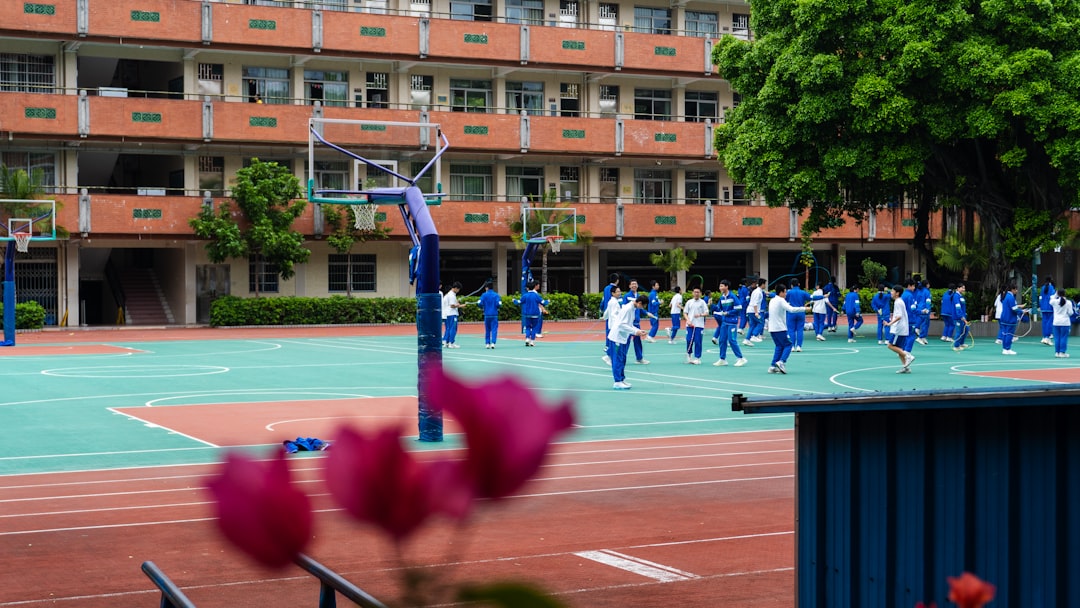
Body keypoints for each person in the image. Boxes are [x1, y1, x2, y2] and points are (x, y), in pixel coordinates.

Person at [608, 294, 650, 389]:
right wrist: (636, 331)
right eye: (643, 306)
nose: (642, 308)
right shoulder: (627, 309)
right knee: (618, 359)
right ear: (639, 303)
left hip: (622, 337)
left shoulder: (632, 308)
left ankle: (621, 379)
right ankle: (617, 381)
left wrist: (638, 330)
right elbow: (622, 325)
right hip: (617, 338)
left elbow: (629, 324)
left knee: (622, 359)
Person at [767, 283, 809, 374]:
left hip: (772, 328)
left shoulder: (772, 300)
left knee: (779, 346)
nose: (786, 294)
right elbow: (791, 310)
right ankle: (782, 362)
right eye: (785, 292)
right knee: (788, 345)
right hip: (779, 328)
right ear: (781, 292)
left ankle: (773, 366)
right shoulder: (781, 301)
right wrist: (804, 309)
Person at [713, 279, 748, 367]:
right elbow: (719, 308)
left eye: (722, 286)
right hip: (724, 322)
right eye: (720, 286)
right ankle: (722, 359)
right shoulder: (722, 297)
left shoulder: (732, 296)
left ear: (726, 287)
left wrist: (728, 313)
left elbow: (739, 307)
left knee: (732, 340)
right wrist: (711, 306)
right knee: (722, 340)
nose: (720, 288)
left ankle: (741, 358)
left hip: (732, 322)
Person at [884, 284, 915, 373]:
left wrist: (889, 323)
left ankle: (908, 356)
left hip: (898, 329)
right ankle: (906, 367)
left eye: (893, 291)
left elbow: (899, 316)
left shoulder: (898, 302)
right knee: (899, 348)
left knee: (890, 345)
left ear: (897, 293)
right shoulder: (899, 301)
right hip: (902, 328)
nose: (891, 293)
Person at [621, 279, 648, 364]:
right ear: (629, 286)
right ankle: (622, 358)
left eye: (635, 284)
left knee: (637, 341)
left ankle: (639, 358)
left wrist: (647, 313)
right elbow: (623, 308)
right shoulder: (627, 296)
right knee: (626, 341)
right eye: (632, 284)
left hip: (636, 323)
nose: (634, 285)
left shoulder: (639, 296)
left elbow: (642, 310)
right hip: (628, 323)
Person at [998, 283, 1028, 355]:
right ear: (1012, 289)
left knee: (1005, 333)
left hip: (1004, 318)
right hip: (1010, 319)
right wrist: (1022, 311)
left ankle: (1005, 349)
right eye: (1016, 289)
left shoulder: (1005, 296)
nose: (1017, 291)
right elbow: (1014, 309)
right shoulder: (1010, 297)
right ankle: (1007, 348)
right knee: (1009, 334)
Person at [515, 281, 547, 347]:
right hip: (535, 314)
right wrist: (548, 301)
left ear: (527, 288)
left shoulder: (525, 295)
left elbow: (519, 302)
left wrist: (514, 300)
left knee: (528, 327)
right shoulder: (536, 295)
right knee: (534, 328)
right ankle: (532, 341)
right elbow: (543, 302)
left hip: (527, 314)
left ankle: (527, 338)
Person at [682, 287, 709, 364]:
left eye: (698, 292)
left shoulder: (702, 302)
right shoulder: (689, 302)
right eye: (695, 292)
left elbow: (707, 312)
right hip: (690, 325)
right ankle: (689, 355)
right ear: (692, 293)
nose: (696, 293)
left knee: (698, 341)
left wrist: (700, 315)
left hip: (699, 325)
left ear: (700, 293)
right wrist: (688, 320)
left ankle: (697, 358)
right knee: (688, 339)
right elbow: (685, 312)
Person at [785, 280, 810, 352]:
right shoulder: (803, 292)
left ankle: (792, 346)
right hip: (801, 312)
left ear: (791, 285)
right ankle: (799, 346)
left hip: (791, 312)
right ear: (799, 284)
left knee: (791, 330)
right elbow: (811, 297)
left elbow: (784, 299)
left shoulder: (789, 292)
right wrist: (822, 296)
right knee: (800, 330)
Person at [601, 286, 623, 364]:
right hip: (614, 326)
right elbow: (614, 315)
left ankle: (610, 356)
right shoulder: (614, 302)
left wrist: (604, 317)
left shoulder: (611, 301)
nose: (619, 293)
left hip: (612, 326)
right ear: (613, 293)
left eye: (620, 291)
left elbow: (607, 312)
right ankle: (609, 356)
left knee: (612, 342)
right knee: (615, 343)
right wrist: (617, 325)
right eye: (617, 291)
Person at [1051, 288, 1075, 358]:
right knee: (1063, 337)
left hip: (1056, 322)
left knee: (1057, 338)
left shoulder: (1054, 302)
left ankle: (1057, 352)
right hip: (1065, 322)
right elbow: (1071, 313)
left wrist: (1056, 294)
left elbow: (1051, 299)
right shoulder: (1068, 302)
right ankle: (1062, 352)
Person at [479, 281, 501, 349]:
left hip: (487, 315)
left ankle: (487, 343)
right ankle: (493, 343)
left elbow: (480, 304)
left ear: (486, 288)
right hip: (494, 315)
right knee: (494, 329)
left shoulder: (483, 295)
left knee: (487, 329)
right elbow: (499, 304)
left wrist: (480, 306)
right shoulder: (496, 295)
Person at [744, 278, 767, 345]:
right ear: (762, 284)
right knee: (761, 322)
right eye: (764, 284)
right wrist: (756, 312)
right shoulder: (758, 292)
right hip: (753, 311)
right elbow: (755, 303)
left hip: (751, 310)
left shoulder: (756, 291)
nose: (765, 286)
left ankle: (747, 339)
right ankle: (754, 335)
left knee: (753, 325)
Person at [442, 281, 463, 348]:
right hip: (452, 314)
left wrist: (457, 303)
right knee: (453, 328)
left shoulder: (450, 294)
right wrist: (461, 306)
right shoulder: (451, 295)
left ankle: (447, 342)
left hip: (448, 314)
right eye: (458, 289)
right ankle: (451, 342)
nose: (458, 291)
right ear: (456, 288)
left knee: (449, 328)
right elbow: (452, 306)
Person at [952, 283, 969, 351]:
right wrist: (961, 316)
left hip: (963, 316)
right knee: (959, 331)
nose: (963, 289)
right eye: (962, 288)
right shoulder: (956, 296)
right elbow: (958, 307)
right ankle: (956, 346)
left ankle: (961, 343)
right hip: (958, 317)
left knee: (966, 329)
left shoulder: (961, 296)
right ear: (958, 288)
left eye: (964, 288)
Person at [1039, 276, 1056, 346]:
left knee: (1044, 322)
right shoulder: (1051, 288)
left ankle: (1044, 337)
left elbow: (1040, 298)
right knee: (1049, 323)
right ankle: (1047, 337)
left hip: (1043, 307)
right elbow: (1053, 298)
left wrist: (1041, 306)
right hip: (1050, 308)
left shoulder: (1043, 288)